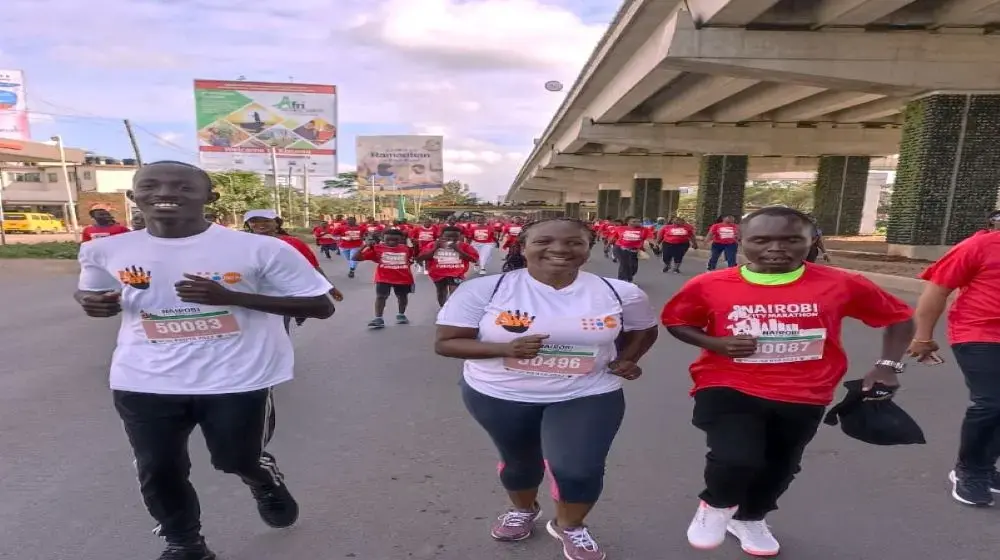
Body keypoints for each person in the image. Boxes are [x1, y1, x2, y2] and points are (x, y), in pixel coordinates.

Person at [74, 161, 336, 560]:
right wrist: (91, 303)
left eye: (183, 186)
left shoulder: (259, 248)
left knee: (235, 458)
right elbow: (91, 293)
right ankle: (184, 542)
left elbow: (320, 306)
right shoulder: (103, 249)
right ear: (134, 197)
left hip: (238, 377)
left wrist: (234, 296)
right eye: (152, 185)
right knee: (158, 467)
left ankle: (260, 476)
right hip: (144, 378)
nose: (167, 192)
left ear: (209, 198)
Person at [661, 206, 914, 557]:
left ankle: (750, 518)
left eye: (792, 239)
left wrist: (887, 366)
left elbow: (899, 317)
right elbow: (677, 321)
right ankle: (717, 506)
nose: (776, 248)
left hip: (806, 391)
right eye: (762, 239)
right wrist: (715, 344)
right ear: (741, 241)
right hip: (727, 384)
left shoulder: (840, 283)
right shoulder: (710, 285)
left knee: (781, 464)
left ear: (812, 241)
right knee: (736, 457)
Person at [434, 217, 659, 560]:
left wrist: (628, 358)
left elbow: (645, 330)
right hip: (499, 393)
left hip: (587, 391)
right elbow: (447, 344)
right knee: (520, 464)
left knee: (579, 468)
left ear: (588, 248)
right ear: (523, 248)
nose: (559, 249)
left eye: (573, 243)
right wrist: (505, 349)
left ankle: (570, 525)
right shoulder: (485, 289)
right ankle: (524, 510)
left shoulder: (619, 292)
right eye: (544, 241)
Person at [908, 229, 1000, 507]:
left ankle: (984, 467)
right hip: (978, 331)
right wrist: (922, 337)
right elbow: (938, 289)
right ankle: (968, 471)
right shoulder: (980, 245)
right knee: (992, 402)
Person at [244, 209, 344, 331]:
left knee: (279, 329)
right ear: (248, 224)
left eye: (266, 220)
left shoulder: (292, 243)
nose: (260, 224)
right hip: (248, 293)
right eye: (254, 221)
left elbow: (313, 267)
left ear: (276, 223)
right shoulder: (241, 243)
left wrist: (331, 288)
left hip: (281, 296)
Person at [353, 228, 414, 329]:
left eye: (395, 240)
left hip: (403, 278)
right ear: (383, 238)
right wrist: (365, 246)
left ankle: (401, 315)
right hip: (383, 278)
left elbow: (414, 258)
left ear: (401, 239)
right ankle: (378, 318)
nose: (392, 242)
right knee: (381, 297)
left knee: (402, 297)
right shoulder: (377, 248)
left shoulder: (407, 249)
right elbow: (356, 258)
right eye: (388, 239)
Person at [416, 226, 478, 306]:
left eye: (455, 237)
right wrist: (435, 248)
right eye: (448, 236)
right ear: (441, 236)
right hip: (438, 274)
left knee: (454, 293)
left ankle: (451, 310)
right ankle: (443, 308)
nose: (452, 239)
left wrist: (458, 250)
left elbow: (474, 259)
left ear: (460, 237)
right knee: (441, 292)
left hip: (456, 274)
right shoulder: (432, 245)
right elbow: (420, 258)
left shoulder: (464, 246)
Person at [608, 216, 651, 283]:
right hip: (620, 248)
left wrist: (655, 244)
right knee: (624, 264)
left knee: (634, 267)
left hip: (634, 250)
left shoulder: (644, 230)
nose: (637, 223)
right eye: (634, 221)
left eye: (638, 222)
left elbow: (649, 238)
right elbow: (613, 237)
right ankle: (624, 280)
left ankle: (627, 277)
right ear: (628, 222)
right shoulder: (621, 228)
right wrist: (607, 246)